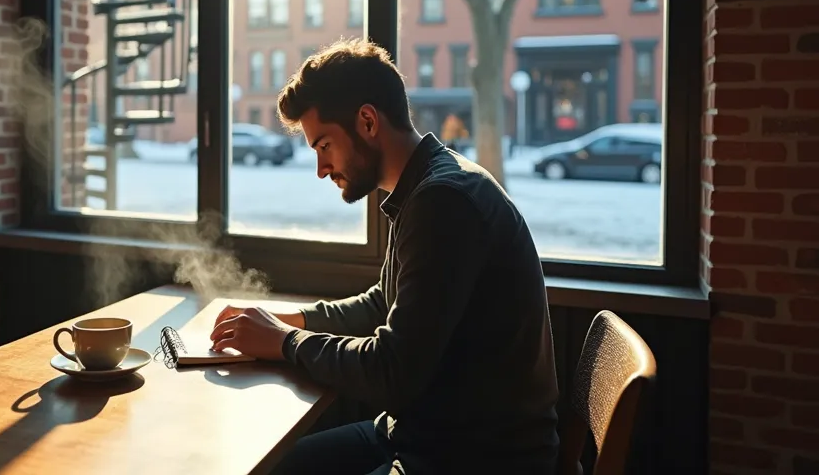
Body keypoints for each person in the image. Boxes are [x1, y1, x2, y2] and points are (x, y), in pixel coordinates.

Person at [209, 38, 560, 475]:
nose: (320, 168)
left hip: (476, 458)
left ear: (368, 121)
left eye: (323, 146)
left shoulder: (443, 202)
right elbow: (383, 302)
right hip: (423, 433)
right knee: (271, 467)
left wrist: (284, 342)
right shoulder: (425, 186)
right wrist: (286, 322)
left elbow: (391, 372)